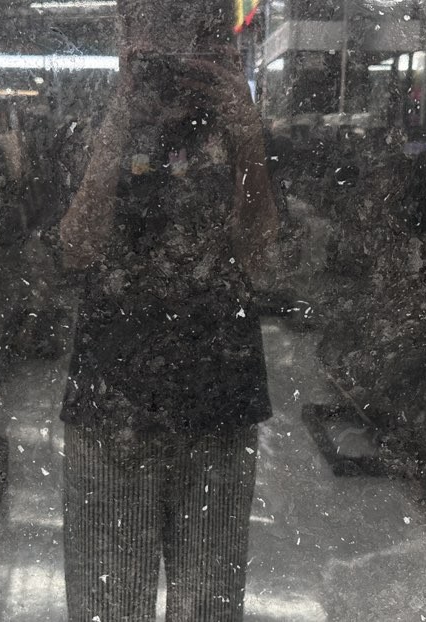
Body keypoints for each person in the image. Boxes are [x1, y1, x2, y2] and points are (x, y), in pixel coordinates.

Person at [59, 1, 278, 619]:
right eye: (156, 26)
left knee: (207, 608)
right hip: (113, 402)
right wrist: (120, 116)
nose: (177, 50)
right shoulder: (89, 119)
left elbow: (262, 259)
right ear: (126, 31)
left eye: (198, 31)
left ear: (223, 39)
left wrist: (246, 131)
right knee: (108, 607)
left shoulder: (240, 128)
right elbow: (76, 248)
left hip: (218, 398)